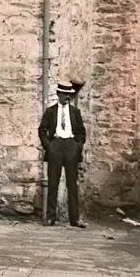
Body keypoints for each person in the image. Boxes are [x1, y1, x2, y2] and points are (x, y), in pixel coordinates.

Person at [38, 80, 87, 227]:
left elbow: (81, 132)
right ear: (58, 94)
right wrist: (49, 146)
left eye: (69, 95)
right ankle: (51, 217)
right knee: (53, 183)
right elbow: (42, 130)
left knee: (72, 184)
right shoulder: (50, 111)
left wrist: (77, 146)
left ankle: (75, 219)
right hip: (56, 146)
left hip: (71, 145)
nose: (67, 98)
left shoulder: (75, 112)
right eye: (65, 94)